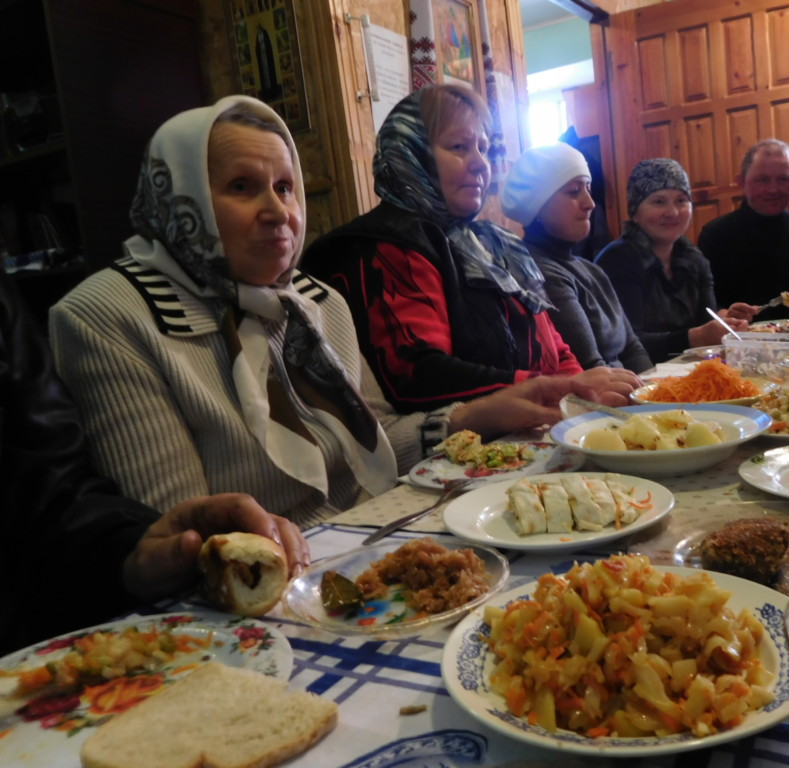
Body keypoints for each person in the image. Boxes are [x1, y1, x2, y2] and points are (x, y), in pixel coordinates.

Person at [49, 95, 612, 530]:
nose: (278, 211)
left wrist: (478, 414)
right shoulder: (110, 316)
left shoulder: (316, 301)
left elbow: (377, 436)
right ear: (182, 199)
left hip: (378, 532)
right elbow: (186, 528)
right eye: (242, 187)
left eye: (286, 187)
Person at [1, 271, 308, 655]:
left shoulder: (310, 295)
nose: (279, 213)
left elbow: (50, 495)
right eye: (245, 203)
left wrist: (130, 555)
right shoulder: (105, 311)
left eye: (294, 203)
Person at [300, 84, 640, 413]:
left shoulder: (491, 243)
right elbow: (419, 375)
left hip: (529, 430)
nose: (480, 163)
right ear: (411, 152)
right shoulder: (386, 245)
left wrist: (578, 391)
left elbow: (554, 345)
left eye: (484, 148)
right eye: (460, 147)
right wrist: (555, 389)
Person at [500, 143, 652, 373]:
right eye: (574, 191)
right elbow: (591, 368)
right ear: (536, 206)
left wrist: (657, 396)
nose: (590, 203)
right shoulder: (539, 273)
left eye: (588, 189)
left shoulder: (592, 270)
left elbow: (632, 348)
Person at [595, 158, 756, 364]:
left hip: (691, 371)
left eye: (681, 200)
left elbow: (706, 322)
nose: (672, 212)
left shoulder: (694, 258)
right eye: (659, 201)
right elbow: (626, 346)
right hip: (638, 378)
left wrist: (725, 319)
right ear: (635, 212)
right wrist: (695, 337)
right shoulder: (617, 261)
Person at [698, 139, 789, 319]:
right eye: (763, 180)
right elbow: (707, 304)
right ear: (741, 182)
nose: (773, 189)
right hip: (735, 341)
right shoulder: (715, 235)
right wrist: (724, 314)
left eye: (784, 179)